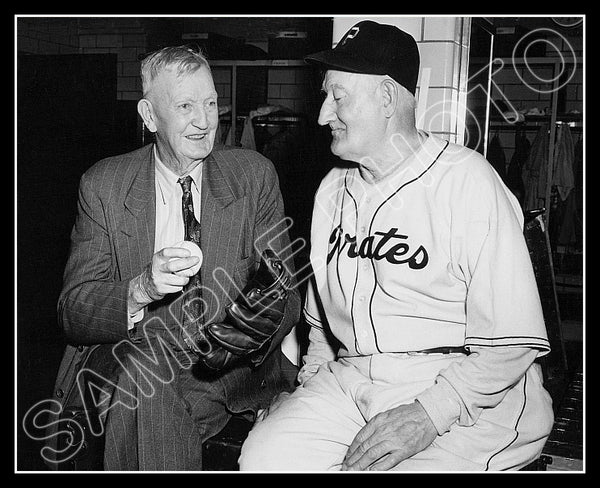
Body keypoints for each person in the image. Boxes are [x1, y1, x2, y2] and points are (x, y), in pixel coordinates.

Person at [238, 20, 554, 471]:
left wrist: (428, 415)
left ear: (387, 98)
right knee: (264, 458)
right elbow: (324, 332)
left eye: (338, 97)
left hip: (463, 392)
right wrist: (305, 393)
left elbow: (512, 345)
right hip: (352, 381)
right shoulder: (331, 191)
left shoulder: (466, 181)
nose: (324, 114)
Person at [44, 45, 301, 470]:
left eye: (211, 103)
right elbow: (73, 311)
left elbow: (286, 292)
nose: (204, 121)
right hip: (134, 353)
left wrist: (251, 326)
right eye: (185, 106)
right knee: (145, 373)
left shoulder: (253, 176)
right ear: (148, 116)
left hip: (226, 367)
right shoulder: (104, 185)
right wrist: (141, 287)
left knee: (141, 394)